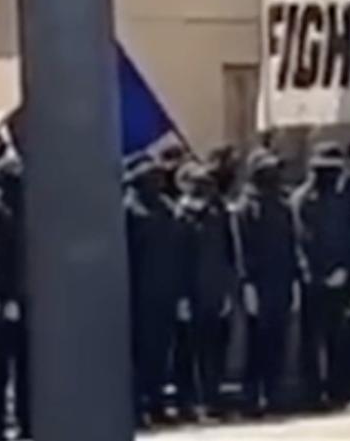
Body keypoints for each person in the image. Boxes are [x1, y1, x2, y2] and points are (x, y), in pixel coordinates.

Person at [234, 149, 299, 415]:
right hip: (257, 284)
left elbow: (291, 245)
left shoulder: (283, 205)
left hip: (281, 281)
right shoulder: (245, 207)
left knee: (278, 338)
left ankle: (274, 392)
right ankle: (252, 394)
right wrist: (247, 284)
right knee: (257, 340)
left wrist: (294, 281)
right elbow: (242, 248)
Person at [294, 142, 350, 408]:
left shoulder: (342, 198)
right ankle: (313, 392)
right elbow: (302, 241)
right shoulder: (302, 199)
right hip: (314, 279)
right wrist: (317, 273)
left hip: (340, 276)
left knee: (338, 336)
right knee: (313, 338)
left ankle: (338, 390)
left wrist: (344, 268)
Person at [174, 161, 238, 419]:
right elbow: (176, 261)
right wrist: (180, 298)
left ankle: (212, 398)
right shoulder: (180, 217)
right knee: (188, 351)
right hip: (190, 294)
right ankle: (188, 401)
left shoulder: (217, 214)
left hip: (215, 292)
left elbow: (227, 253)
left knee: (215, 347)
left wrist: (227, 291)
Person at [123, 154, 182, 427]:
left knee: (161, 351)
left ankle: (156, 403)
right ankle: (136, 407)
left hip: (165, 290)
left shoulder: (166, 208)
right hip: (139, 294)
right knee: (139, 354)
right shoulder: (129, 210)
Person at [0, 155, 31, 438]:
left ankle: (24, 419)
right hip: (0, 301)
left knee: (23, 364)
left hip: (20, 297)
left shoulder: (20, 207)